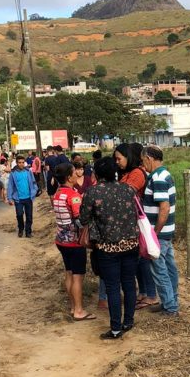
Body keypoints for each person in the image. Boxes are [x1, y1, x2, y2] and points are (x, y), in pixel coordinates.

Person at [79, 156, 139, 340]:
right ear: (115, 172)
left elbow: (83, 218)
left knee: (112, 287)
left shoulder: (92, 192)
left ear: (97, 173)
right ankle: (128, 322)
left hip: (107, 247)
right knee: (129, 284)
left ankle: (115, 329)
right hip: (131, 244)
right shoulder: (128, 189)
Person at [115, 142, 158, 309]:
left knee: (143, 260)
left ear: (129, 157)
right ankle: (144, 292)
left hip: (136, 221)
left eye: (119, 158)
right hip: (130, 222)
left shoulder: (137, 174)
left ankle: (151, 294)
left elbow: (125, 194)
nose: (117, 162)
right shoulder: (128, 173)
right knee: (138, 259)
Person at [52, 163, 95, 321]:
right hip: (75, 242)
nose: (77, 174)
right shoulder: (73, 195)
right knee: (78, 277)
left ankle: (72, 307)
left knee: (69, 273)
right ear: (69, 177)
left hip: (61, 241)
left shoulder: (58, 193)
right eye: (74, 172)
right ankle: (79, 310)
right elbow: (79, 219)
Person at [142, 145, 179, 317]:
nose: (143, 164)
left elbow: (164, 208)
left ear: (149, 158)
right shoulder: (165, 174)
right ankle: (170, 302)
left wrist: (154, 233)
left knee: (159, 270)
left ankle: (170, 307)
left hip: (160, 233)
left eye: (143, 161)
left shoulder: (157, 178)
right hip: (166, 231)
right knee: (169, 268)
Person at [7, 154, 38, 237]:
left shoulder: (28, 172)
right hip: (18, 199)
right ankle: (21, 229)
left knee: (29, 216)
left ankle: (28, 232)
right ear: (17, 163)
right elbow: (10, 186)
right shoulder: (13, 173)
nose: (21, 164)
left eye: (23, 162)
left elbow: (33, 182)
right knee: (19, 215)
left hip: (28, 198)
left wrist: (35, 190)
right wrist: (9, 198)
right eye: (19, 162)